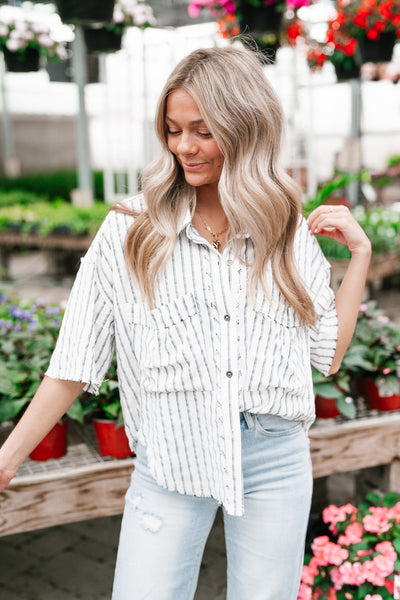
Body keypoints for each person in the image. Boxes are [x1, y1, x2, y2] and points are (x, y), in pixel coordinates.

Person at [0, 46, 371, 600]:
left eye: (202, 130)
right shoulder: (132, 229)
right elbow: (76, 359)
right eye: (173, 130)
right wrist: (7, 458)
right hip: (171, 458)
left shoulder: (284, 228)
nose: (183, 147)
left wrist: (359, 257)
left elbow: (327, 353)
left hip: (275, 455)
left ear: (244, 128)